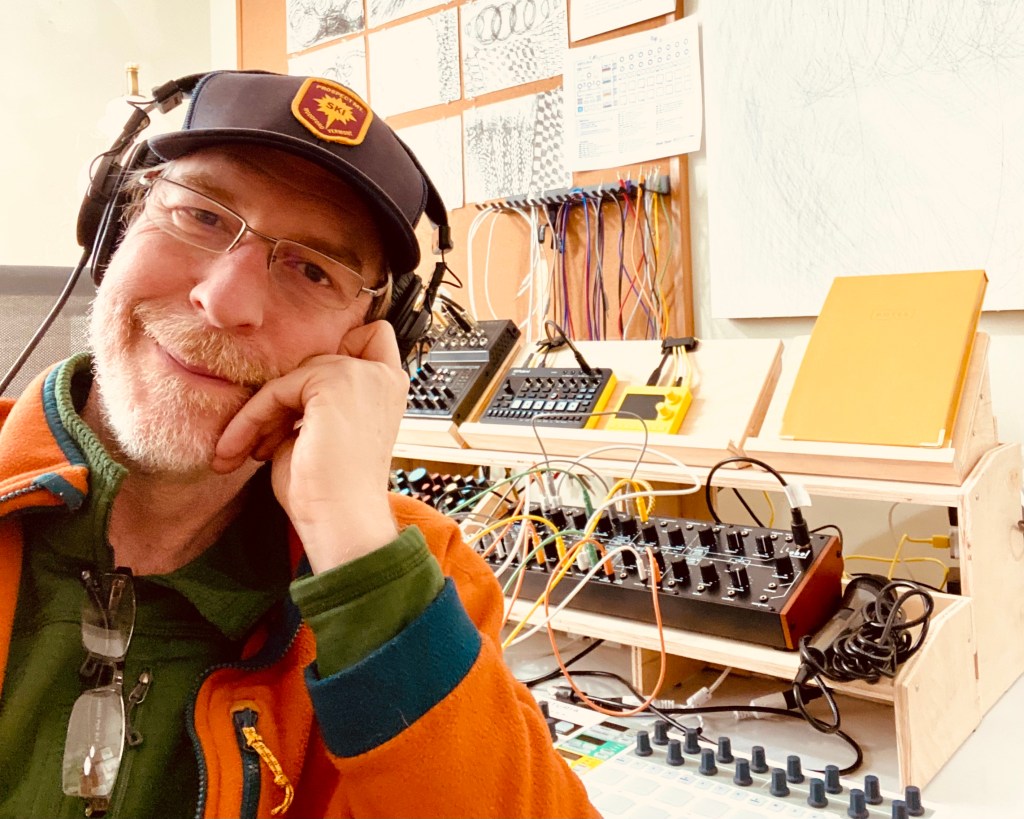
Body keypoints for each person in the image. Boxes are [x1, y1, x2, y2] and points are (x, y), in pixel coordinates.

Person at [0, 70, 597, 818]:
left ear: (373, 342)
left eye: (314, 269)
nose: (226, 301)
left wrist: (352, 543)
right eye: (202, 216)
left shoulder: (414, 574)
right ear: (115, 227)